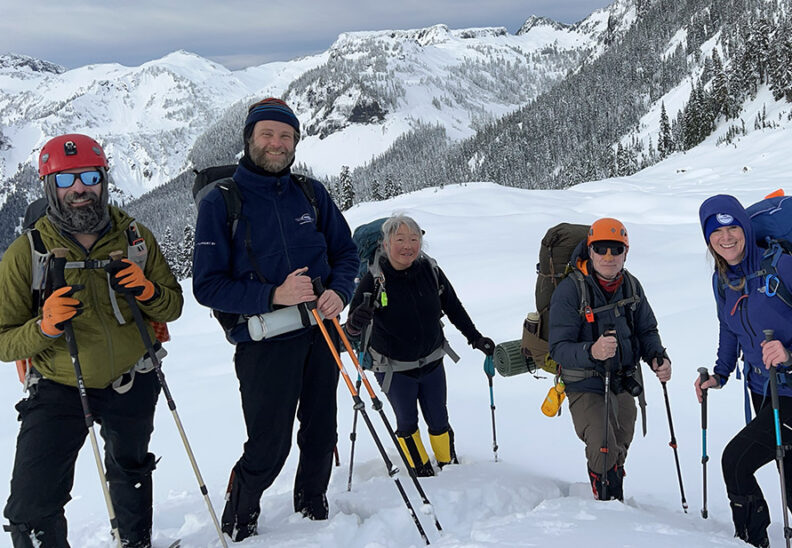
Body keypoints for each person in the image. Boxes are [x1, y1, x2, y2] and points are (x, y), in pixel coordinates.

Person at [0, 133, 183, 547]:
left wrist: (147, 292)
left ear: (103, 179)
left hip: (133, 378)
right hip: (57, 385)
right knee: (31, 503)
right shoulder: (26, 253)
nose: (80, 189)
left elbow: (172, 307)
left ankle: (136, 541)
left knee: (131, 468)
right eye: (65, 180)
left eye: (88, 176)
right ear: (49, 187)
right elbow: (3, 341)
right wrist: (43, 327)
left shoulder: (135, 237)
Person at [192, 97, 359, 541]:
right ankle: (240, 518)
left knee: (322, 430)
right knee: (269, 444)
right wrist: (273, 295)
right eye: (267, 134)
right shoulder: (222, 203)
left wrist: (339, 292)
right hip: (262, 342)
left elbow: (346, 253)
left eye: (286, 136)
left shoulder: (311, 193)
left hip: (321, 334)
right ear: (249, 139)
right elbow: (207, 286)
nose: (276, 143)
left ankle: (312, 503)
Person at [694, 194, 792, 548]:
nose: (726, 238)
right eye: (716, 232)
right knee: (791, 466)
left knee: (736, 462)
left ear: (745, 227)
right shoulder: (723, 278)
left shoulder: (785, 266)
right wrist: (720, 373)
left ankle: (750, 541)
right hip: (763, 386)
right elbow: (729, 329)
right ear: (708, 238)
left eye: (732, 228)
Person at [343, 213, 494, 477]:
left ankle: (449, 467)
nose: (408, 245)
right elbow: (352, 331)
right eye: (399, 239)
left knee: (439, 419)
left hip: (433, 362)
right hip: (393, 369)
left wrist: (475, 337)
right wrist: (356, 321)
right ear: (386, 244)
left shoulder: (430, 270)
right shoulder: (374, 279)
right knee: (407, 422)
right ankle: (420, 470)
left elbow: (453, 307)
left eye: (414, 239)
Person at [547, 217, 671, 501]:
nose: (608, 256)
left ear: (626, 252)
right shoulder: (571, 290)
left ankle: (615, 495)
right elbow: (559, 348)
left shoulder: (631, 285)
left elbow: (646, 329)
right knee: (603, 445)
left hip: (623, 378)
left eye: (616, 249)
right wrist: (592, 351)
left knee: (621, 440)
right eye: (601, 248)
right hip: (585, 382)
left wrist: (657, 357)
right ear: (589, 250)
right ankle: (606, 506)